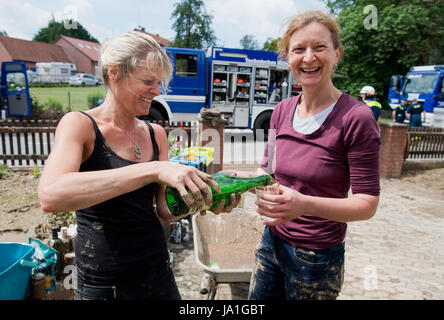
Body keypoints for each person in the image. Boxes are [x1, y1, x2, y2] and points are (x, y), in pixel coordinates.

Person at [37, 31, 238, 300]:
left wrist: (205, 196)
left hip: (157, 271)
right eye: (147, 81)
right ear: (114, 73)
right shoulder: (80, 125)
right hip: (104, 283)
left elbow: (165, 210)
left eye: (158, 83)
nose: (156, 92)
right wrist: (153, 169)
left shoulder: (155, 133)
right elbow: (51, 194)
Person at [233, 10, 380, 300]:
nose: (308, 57)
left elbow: (367, 204)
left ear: (336, 54)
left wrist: (304, 205)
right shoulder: (280, 111)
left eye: (320, 47)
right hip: (270, 244)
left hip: (316, 259)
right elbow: (268, 173)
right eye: (298, 49)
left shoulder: (356, 118)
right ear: (287, 58)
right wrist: (234, 180)